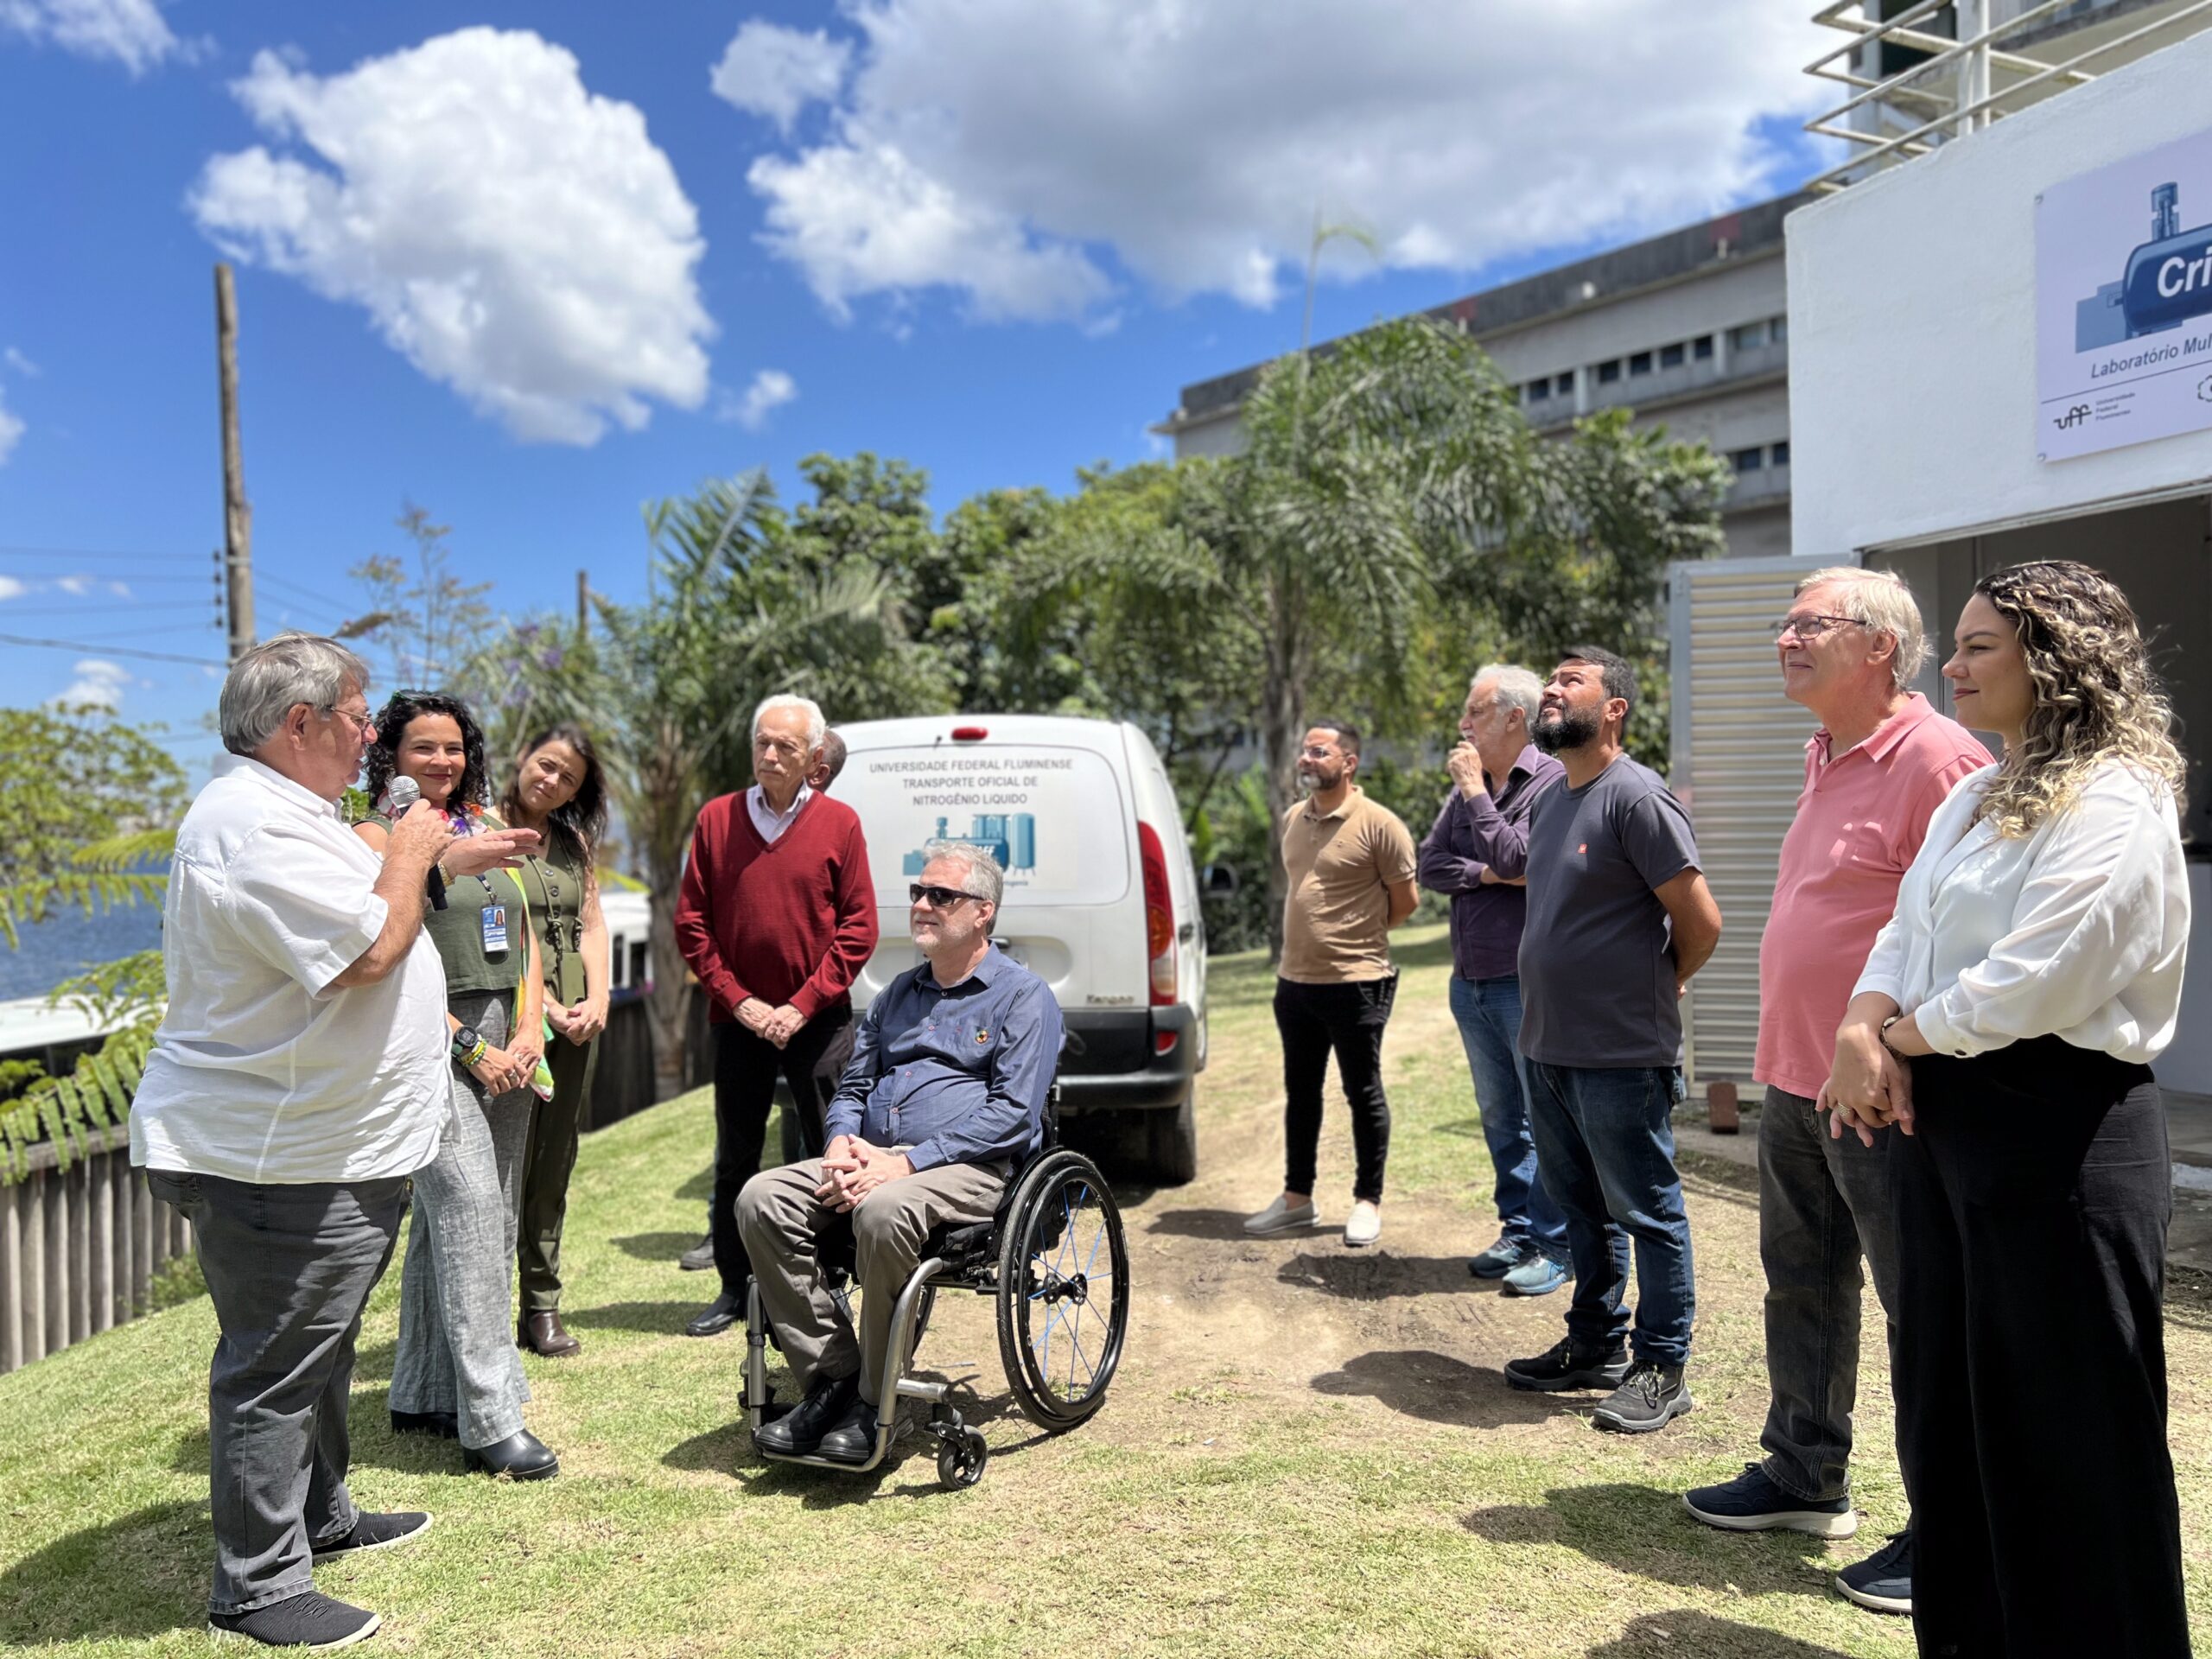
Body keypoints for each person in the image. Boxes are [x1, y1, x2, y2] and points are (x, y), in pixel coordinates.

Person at [1827, 562, 2191, 1656]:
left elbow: (2046, 973)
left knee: (2072, 1437)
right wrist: (1862, 1022)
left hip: (2060, 1137)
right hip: (1944, 1126)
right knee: (1952, 1416)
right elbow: (1905, 926)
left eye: (1979, 646)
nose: (1952, 665)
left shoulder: (2116, 796)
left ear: (2057, 659)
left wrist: (1894, 1042)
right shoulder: (1978, 792)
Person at [130, 633, 518, 1648]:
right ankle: (257, 1587)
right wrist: (414, 850)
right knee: (275, 1366)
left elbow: (369, 894)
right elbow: (367, 951)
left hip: (327, 1144)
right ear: (298, 723)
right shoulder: (252, 827)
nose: (369, 735)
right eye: (356, 716)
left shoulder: (294, 812)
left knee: (324, 1346)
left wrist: (437, 859)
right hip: (276, 1154)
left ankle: (322, 1516)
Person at [1682, 569, 1988, 1617]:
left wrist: (1896, 1049)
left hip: (1886, 1094)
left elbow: (1966, 935)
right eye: (1784, 622)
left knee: (1923, 1311)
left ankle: (1952, 1532)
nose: (1784, 638)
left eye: (1808, 623)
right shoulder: (1824, 753)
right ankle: (1802, 1473)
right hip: (1796, 1078)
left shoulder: (1940, 759)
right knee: (1801, 1284)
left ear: (1879, 646)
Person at [738, 841, 1061, 1461]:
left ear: (984, 912)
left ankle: (876, 1401)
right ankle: (835, 1381)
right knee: (761, 1198)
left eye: (941, 895)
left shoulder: (1024, 996)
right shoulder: (896, 996)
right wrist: (840, 1145)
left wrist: (905, 1163)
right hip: (875, 1157)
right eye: (918, 892)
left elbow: (1013, 1114)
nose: (922, 904)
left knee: (884, 1210)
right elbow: (853, 1088)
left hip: (969, 1167)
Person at [1472, 646, 1720, 1434]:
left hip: (1620, 1052)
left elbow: (1701, 921)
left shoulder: (1637, 797)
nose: (1551, 691)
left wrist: (1660, 981)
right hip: (1546, 1045)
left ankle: (1662, 1367)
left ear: (1614, 708)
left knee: (1647, 1211)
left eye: (1569, 682)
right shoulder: (1551, 798)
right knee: (1581, 1208)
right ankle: (1594, 1344)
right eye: (1549, 682)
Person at [358, 691, 559, 1481]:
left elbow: (527, 933)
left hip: (511, 1030)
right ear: (391, 755)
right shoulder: (376, 837)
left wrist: (530, 1026)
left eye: (453, 747)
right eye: (423, 748)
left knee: (479, 1216)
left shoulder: (481, 824)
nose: (442, 760)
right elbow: (384, 962)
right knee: (470, 1209)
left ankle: (421, 1391)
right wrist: (470, 1047)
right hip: (432, 1037)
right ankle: (491, 1419)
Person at [675, 694, 879, 1338]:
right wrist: (740, 1001)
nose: (768, 754)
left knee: (832, 1151)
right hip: (739, 1022)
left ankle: (833, 1280)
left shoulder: (840, 823)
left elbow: (859, 927)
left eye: (784, 746)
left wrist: (800, 1005)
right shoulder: (716, 819)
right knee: (736, 1156)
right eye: (761, 742)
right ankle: (735, 1288)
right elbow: (692, 924)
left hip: (819, 1021)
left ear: (814, 757)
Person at [1417, 665, 1571, 1297]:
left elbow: (1523, 860)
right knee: (1500, 1116)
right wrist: (1485, 874)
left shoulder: (1550, 781)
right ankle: (1519, 1230)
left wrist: (1475, 797)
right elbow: (1429, 865)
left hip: (1524, 980)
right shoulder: (1471, 787)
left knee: (1546, 1115)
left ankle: (1556, 1243)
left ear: (1514, 717)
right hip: (1471, 979)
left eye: (1474, 712)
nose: (1464, 725)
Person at [1245, 720, 1419, 1249]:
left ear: (1349, 762)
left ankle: (1367, 1200)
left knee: (1362, 1092)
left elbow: (1405, 903)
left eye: (1319, 751)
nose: (1306, 759)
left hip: (1357, 982)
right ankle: (1297, 1198)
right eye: (1305, 751)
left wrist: (1355, 939)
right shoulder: (1292, 818)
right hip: (1294, 982)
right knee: (1301, 1093)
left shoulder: (1380, 825)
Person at [499, 723, 614, 1360]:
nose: (552, 781)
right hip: (512, 1020)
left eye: (568, 778)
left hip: (577, 1027)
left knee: (553, 1163)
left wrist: (598, 999)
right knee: (505, 1164)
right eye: (546, 765)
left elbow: (591, 923)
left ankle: (540, 1305)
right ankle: (488, 1308)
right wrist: (542, 1006)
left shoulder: (573, 842)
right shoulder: (481, 829)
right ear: (523, 757)